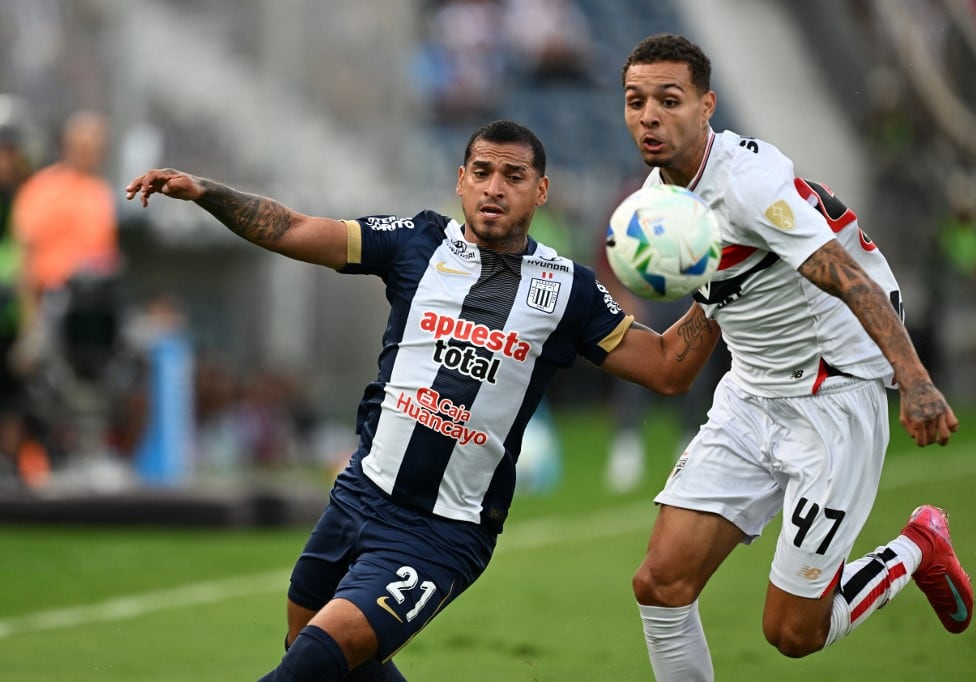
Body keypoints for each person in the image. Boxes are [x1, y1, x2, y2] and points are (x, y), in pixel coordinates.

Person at [125, 119, 722, 681]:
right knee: (314, 648)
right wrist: (207, 192)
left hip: (443, 528)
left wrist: (724, 289)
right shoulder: (416, 243)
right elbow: (293, 228)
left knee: (316, 659)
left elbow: (667, 369)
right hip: (359, 493)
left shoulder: (571, 290)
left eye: (513, 177)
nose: (494, 189)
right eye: (482, 172)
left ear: (541, 191)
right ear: (460, 180)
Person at [619, 34, 970, 680]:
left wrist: (915, 380)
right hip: (750, 396)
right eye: (636, 101)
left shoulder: (750, 185)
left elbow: (847, 275)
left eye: (669, 100)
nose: (649, 116)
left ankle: (919, 546)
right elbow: (718, 304)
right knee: (660, 585)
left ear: (707, 106)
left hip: (831, 399)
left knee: (792, 632)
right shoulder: (661, 196)